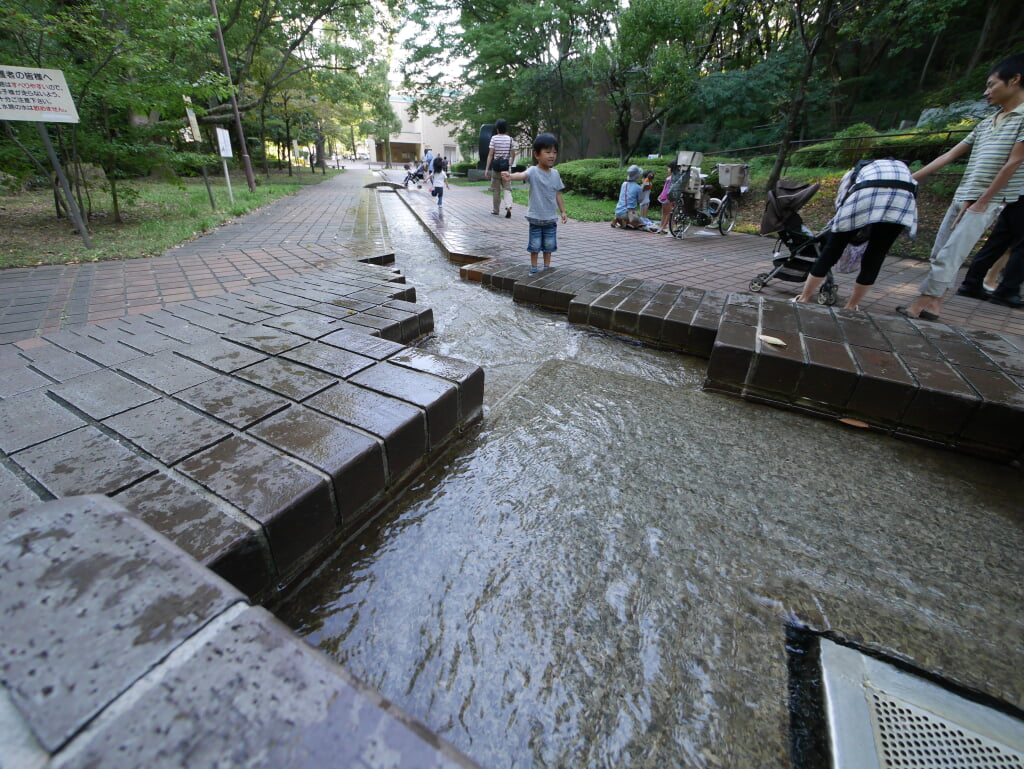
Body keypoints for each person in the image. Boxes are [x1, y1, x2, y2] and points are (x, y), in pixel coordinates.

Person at [897, 53, 1024, 322]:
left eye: (991, 85)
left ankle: (919, 304)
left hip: (987, 199)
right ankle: (935, 307)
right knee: (940, 251)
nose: (986, 92)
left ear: (1015, 80)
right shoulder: (986, 123)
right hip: (964, 193)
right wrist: (905, 180)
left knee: (951, 254)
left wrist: (983, 201)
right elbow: (949, 156)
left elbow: (1014, 163)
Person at [795, 158, 918, 310]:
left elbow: (842, 201)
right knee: (876, 255)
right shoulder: (904, 171)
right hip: (901, 203)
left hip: (863, 196)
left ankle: (804, 298)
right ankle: (852, 305)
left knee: (831, 250)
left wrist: (841, 228)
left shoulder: (856, 172)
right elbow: (914, 189)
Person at [501, 133, 567, 274]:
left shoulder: (555, 174)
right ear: (537, 155)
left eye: (554, 152)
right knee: (534, 244)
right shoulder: (533, 171)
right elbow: (522, 175)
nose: (552, 155)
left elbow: (558, 194)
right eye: (548, 152)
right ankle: (534, 268)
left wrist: (563, 211)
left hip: (550, 218)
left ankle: (547, 268)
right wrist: (510, 176)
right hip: (535, 217)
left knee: (549, 245)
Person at [955, 197, 1024, 306]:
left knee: (997, 241)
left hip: (1016, 196)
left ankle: (971, 283)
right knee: (1020, 248)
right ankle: (1007, 291)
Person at [485, 119, 516, 218]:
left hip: (496, 167)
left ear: (497, 129)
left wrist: (486, 169)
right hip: (506, 167)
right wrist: (510, 162)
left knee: (496, 190)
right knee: (507, 188)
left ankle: (496, 210)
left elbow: (490, 154)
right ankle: (508, 206)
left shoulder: (494, 138)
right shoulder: (510, 139)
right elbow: (513, 154)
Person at [657, 162, 681, 235]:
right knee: (664, 212)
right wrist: (661, 194)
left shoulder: (674, 178)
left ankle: (663, 226)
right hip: (664, 196)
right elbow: (665, 187)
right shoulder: (669, 178)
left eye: (669, 168)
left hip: (668, 197)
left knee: (668, 212)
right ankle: (661, 225)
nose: (668, 170)